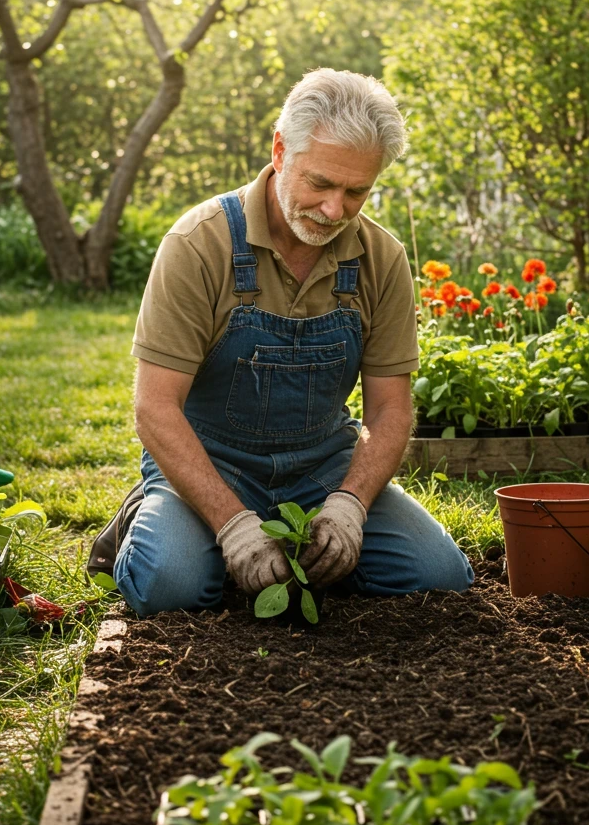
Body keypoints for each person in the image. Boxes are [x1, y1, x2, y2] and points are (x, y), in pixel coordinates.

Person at [89, 68, 473, 613]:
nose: (334, 209)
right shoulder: (199, 245)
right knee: (170, 586)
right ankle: (157, 522)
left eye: (356, 190)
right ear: (279, 150)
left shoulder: (381, 259)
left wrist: (349, 505)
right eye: (320, 183)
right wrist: (234, 525)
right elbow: (155, 409)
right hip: (210, 462)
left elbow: (391, 411)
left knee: (439, 577)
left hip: (323, 469)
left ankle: (295, 553)